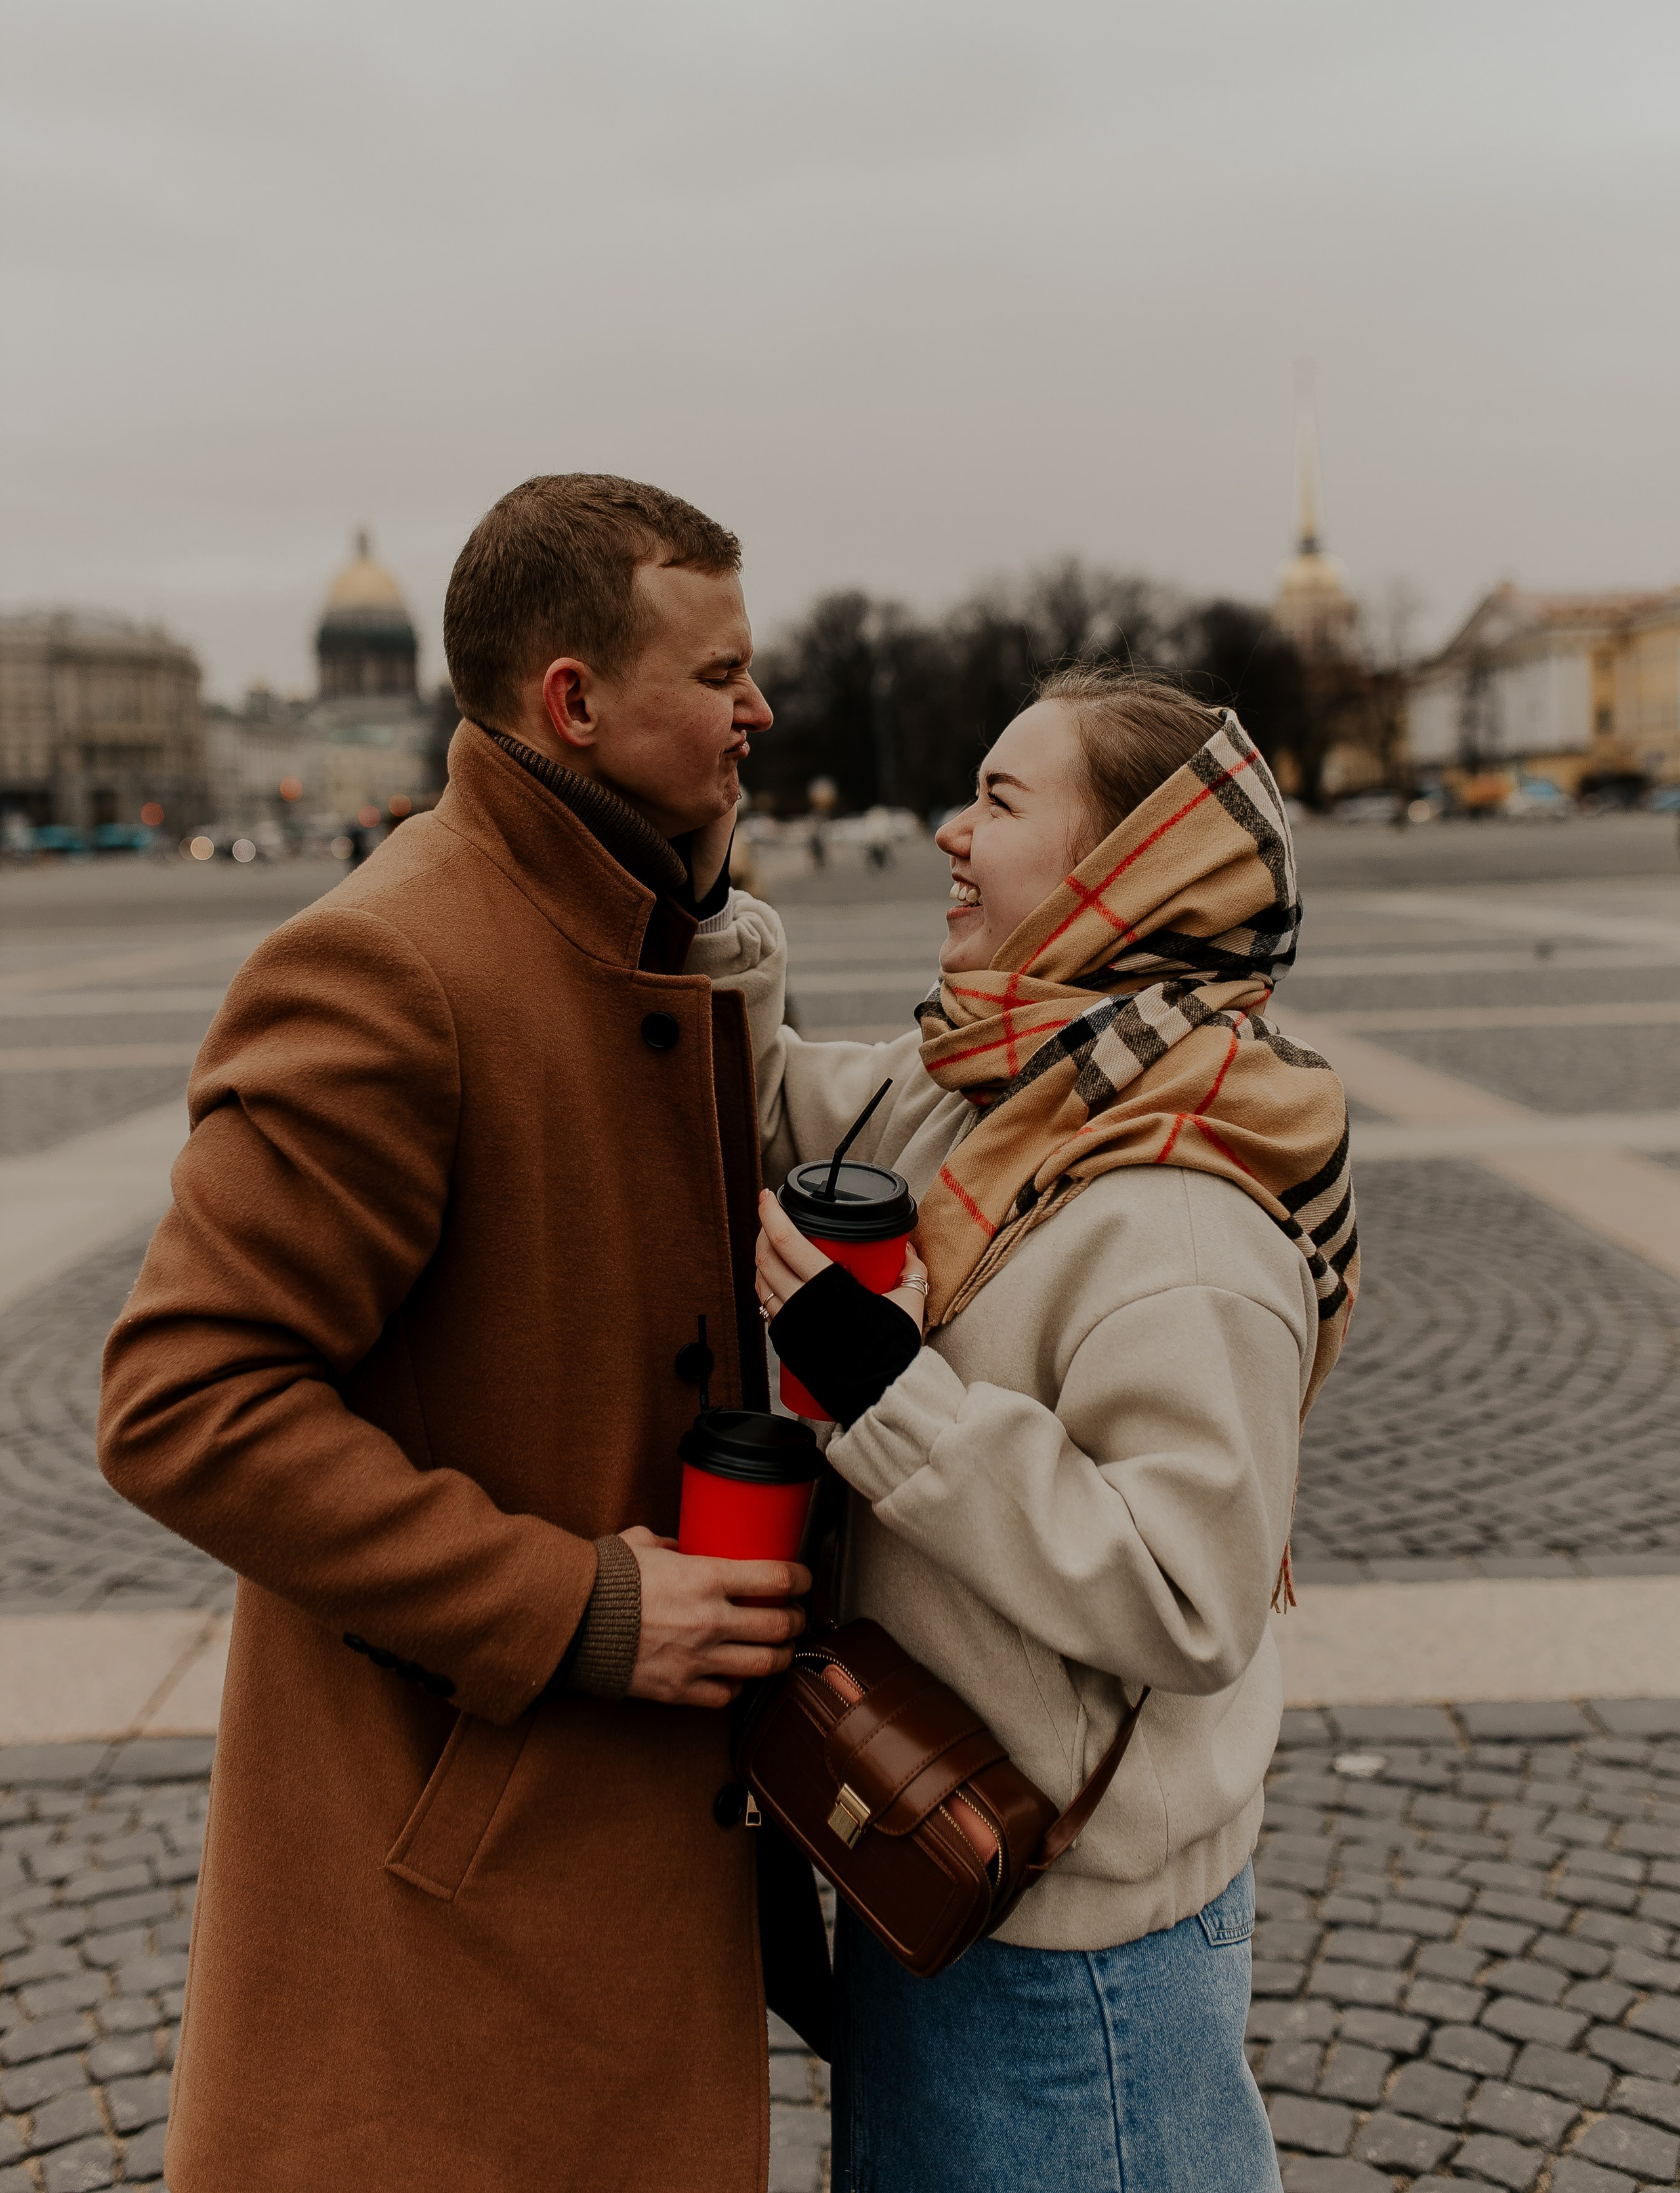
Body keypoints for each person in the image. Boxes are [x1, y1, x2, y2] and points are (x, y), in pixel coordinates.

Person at [98, 474, 829, 2193]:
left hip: (603, 1845)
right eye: (720, 674)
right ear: (574, 703)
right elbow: (181, 1402)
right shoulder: (389, 965)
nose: (760, 709)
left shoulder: (631, 924)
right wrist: (572, 1606)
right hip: (476, 1868)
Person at [693, 669, 1358, 2193]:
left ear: (1126, 871)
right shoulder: (992, 1085)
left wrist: (881, 1385)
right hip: (930, 1863)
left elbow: (1189, 1594)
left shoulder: (1179, 1208)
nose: (946, 831)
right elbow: (776, 1098)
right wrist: (703, 887)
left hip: (1073, 1952)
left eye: (999, 802)